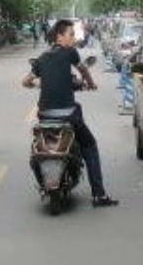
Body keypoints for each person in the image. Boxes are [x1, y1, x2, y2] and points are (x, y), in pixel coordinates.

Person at [22, 19, 119, 207]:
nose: (73, 38)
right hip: (68, 115)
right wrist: (91, 84)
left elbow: (25, 82)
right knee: (90, 145)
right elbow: (83, 70)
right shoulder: (70, 52)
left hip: (44, 116)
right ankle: (99, 195)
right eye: (71, 34)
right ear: (59, 36)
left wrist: (38, 84)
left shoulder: (42, 58)